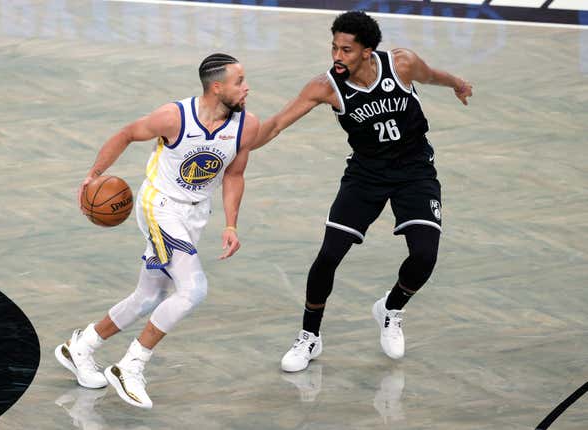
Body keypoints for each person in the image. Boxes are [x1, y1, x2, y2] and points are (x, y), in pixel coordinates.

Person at [253, 11, 472, 372]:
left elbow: (432, 76)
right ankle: (310, 337)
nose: (338, 57)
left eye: (347, 50)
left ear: (368, 51)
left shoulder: (401, 65)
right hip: (366, 174)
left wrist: (458, 83)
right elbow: (276, 124)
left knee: (424, 256)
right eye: (334, 48)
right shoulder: (325, 86)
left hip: (414, 172)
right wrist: (236, 151)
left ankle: (391, 307)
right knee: (328, 257)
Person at [55, 53, 259, 408]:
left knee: (149, 297)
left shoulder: (247, 125)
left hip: (196, 215)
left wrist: (230, 223)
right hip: (159, 207)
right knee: (193, 289)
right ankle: (131, 366)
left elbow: (235, 175)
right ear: (217, 87)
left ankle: (81, 346)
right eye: (239, 82)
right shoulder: (175, 117)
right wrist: (93, 175)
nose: (247, 88)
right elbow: (127, 133)